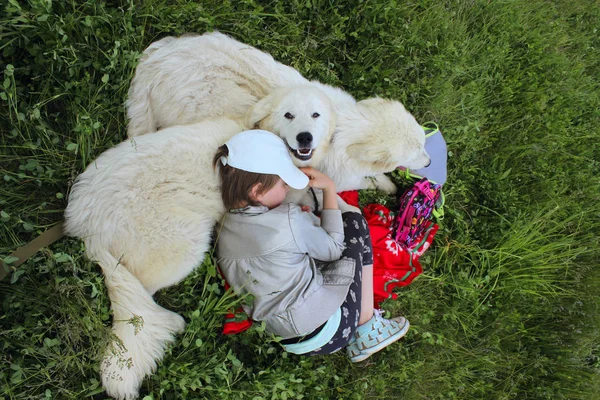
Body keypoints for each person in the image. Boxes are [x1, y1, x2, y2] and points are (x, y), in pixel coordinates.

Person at [214, 129, 409, 361]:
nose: (287, 189)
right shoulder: (288, 219)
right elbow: (334, 248)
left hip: (287, 339)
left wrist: (302, 224)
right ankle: (367, 326)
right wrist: (328, 189)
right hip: (332, 329)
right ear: (257, 191)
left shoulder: (222, 229)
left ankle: (358, 327)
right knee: (354, 223)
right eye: (283, 183)